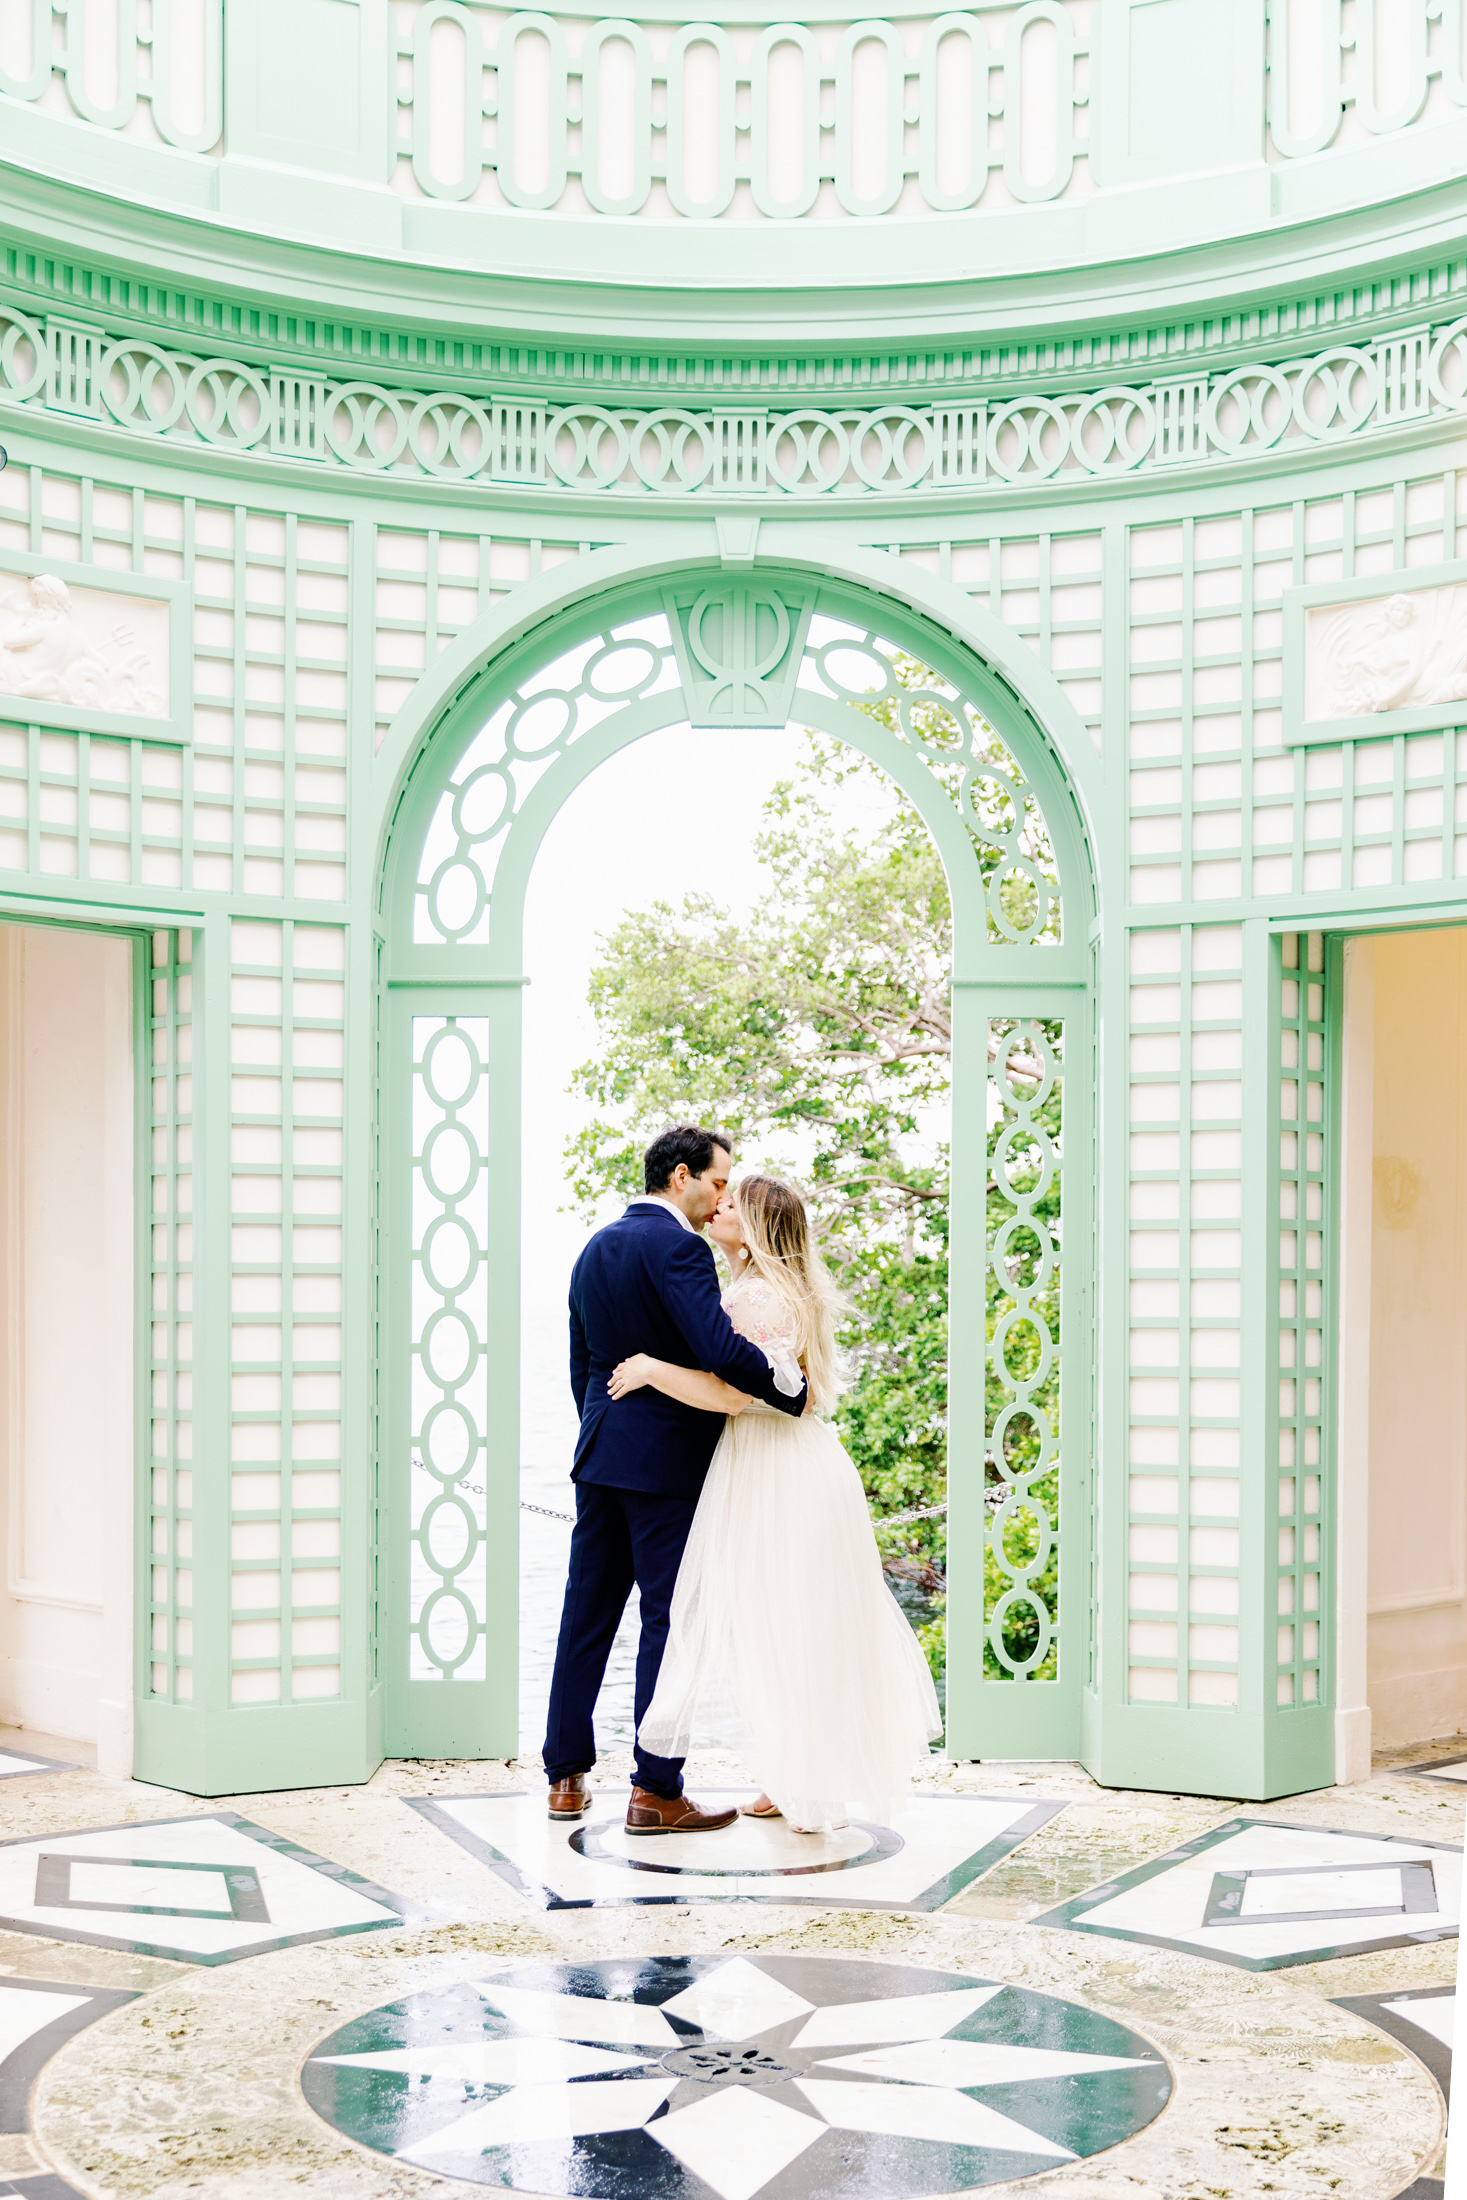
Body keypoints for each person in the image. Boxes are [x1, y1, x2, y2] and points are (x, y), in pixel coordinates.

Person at [613, 1173, 941, 1832]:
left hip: (777, 1470)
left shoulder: (756, 1298)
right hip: (790, 1460)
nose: (717, 1206)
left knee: (784, 1623)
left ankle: (806, 1786)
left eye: (731, 1203)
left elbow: (734, 1394)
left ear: (755, 1225)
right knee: (788, 1624)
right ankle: (793, 1775)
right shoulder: (775, 1290)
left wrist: (650, 1368)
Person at [542, 1125, 809, 1834]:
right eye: (719, 1182)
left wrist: (602, 1430)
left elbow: (581, 1360)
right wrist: (786, 1391)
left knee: (586, 1611)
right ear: (682, 1176)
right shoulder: (680, 1247)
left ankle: (565, 1778)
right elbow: (715, 1345)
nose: (724, 1195)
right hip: (665, 1462)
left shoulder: (594, 1246)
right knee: (669, 1618)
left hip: (599, 1454)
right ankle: (655, 1790)